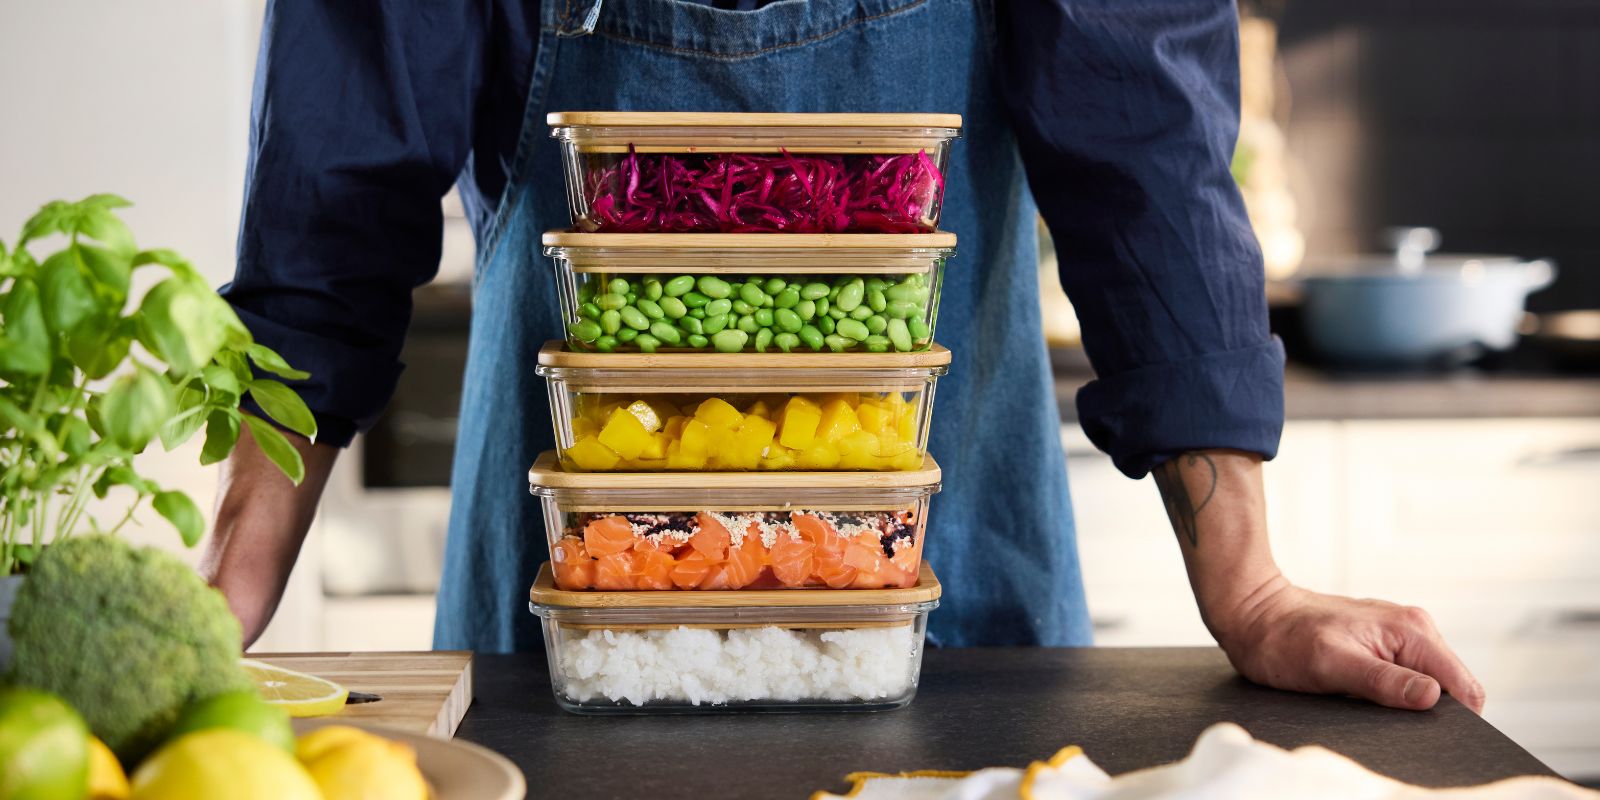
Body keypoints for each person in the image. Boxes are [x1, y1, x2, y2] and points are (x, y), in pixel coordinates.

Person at [205, 0, 1486, 714]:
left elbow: (1140, 116)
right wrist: (230, 581)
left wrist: (1248, 582)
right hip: (571, 611)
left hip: (949, 589)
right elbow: (337, 164)